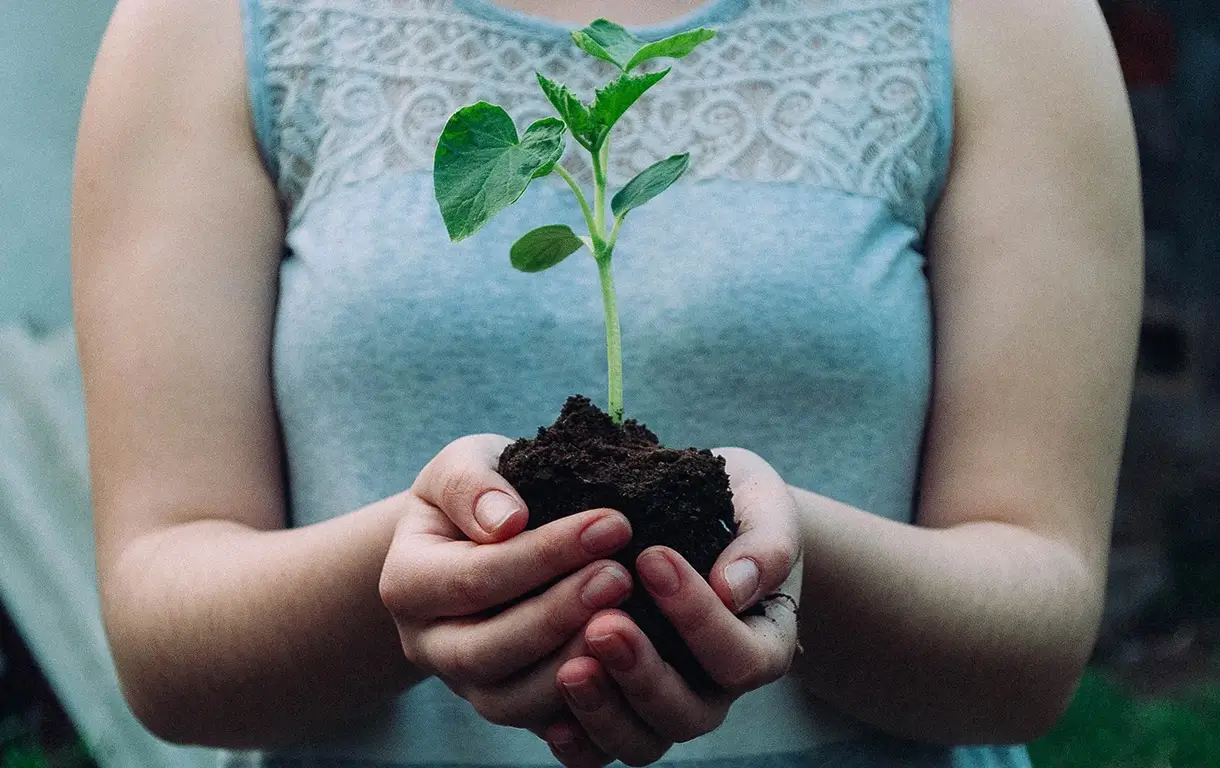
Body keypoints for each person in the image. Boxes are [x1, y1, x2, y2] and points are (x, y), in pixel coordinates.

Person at [69, 0, 1141, 765]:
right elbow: (165, 642)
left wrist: (789, 560)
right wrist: (414, 583)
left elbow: (1032, 642)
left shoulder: (1006, 21)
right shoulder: (205, 22)